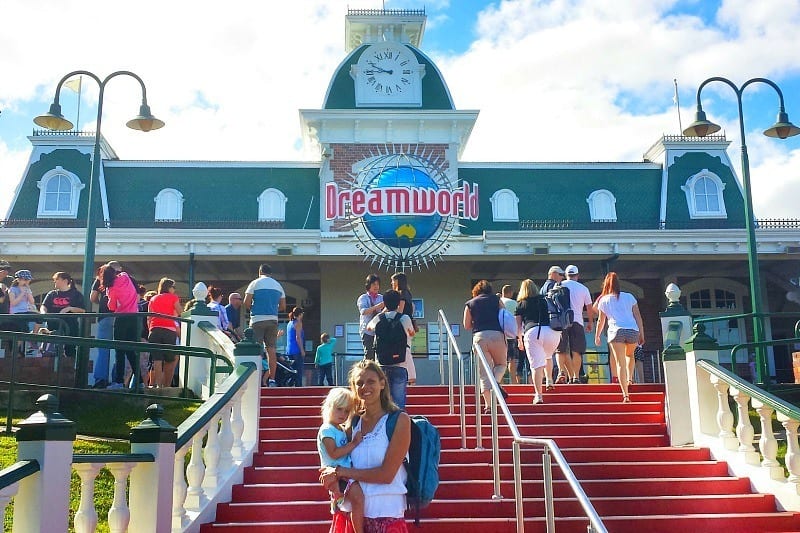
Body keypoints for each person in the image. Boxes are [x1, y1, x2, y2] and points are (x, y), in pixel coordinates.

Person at [319, 360, 411, 533]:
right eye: (359, 383)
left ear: (382, 383)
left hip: (386, 514)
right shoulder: (352, 422)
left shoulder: (399, 420)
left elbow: (386, 475)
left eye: (371, 381)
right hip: (350, 514)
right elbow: (337, 457)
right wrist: (329, 474)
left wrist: (341, 472)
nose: (365, 387)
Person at [317, 387, 365, 533]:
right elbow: (334, 453)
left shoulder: (340, 428)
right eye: (339, 409)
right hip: (337, 475)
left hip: (344, 474)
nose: (343, 414)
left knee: (349, 507)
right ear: (329, 406)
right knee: (358, 499)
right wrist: (354, 444)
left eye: (346, 411)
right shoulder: (327, 429)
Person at [594, 272, 645, 403]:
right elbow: (638, 316)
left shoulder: (604, 300)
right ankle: (630, 379)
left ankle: (625, 395)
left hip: (616, 331)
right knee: (630, 356)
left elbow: (601, 321)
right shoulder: (629, 297)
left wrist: (597, 335)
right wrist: (641, 333)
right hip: (632, 330)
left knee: (620, 363)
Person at [463, 280, 508, 413]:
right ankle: (495, 382)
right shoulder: (496, 300)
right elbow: (504, 316)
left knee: (483, 373)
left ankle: (488, 405)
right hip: (497, 334)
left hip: (479, 337)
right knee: (501, 364)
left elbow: (466, 325)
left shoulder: (470, 303)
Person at [366, 289, 415, 409]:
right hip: (400, 363)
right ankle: (398, 423)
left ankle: (383, 423)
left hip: (382, 362)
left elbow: (369, 328)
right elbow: (411, 333)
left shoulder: (379, 318)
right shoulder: (404, 318)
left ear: (385, 303)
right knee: (399, 400)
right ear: (399, 303)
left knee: (382, 399)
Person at [515, 279, 560, 405]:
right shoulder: (545, 300)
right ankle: (550, 380)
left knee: (536, 366)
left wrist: (520, 340)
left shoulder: (521, 304)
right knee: (548, 356)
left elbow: (518, 326)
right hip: (552, 332)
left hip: (533, 332)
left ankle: (538, 395)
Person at [244, 263, 286, 388]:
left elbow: (246, 302)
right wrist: (272, 309)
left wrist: (254, 308)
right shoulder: (278, 286)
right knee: (271, 350)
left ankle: (255, 378)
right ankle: (272, 379)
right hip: (273, 319)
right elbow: (283, 306)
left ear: (259, 272)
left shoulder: (255, 283)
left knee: (256, 350)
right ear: (271, 273)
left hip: (257, 319)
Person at [101, 264, 140, 390]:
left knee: (119, 351)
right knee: (131, 350)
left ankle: (118, 382)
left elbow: (111, 307)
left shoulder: (111, 288)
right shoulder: (125, 276)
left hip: (121, 318)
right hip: (134, 317)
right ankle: (139, 381)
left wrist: (109, 296)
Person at [556, 265, 595, 384]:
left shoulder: (559, 285)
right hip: (577, 321)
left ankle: (561, 372)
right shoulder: (583, 288)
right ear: (577, 276)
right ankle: (576, 377)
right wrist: (590, 322)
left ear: (566, 275)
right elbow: (589, 307)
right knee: (577, 351)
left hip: (562, 322)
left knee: (560, 349)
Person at [147, 277, 182, 388]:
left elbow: (149, 317)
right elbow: (180, 312)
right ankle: (167, 385)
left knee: (157, 359)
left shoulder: (153, 299)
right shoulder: (173, 297)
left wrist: (150, 329)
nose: (174, 289)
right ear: (168, 287)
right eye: (173, 287)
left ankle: (158, 385)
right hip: (169, 330)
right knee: (170, 359)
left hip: (154, 330)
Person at [40, 272, 85, 357]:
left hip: (70, 326)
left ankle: (69, 368)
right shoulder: (52, 294)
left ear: (65, 280)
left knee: (70, 351)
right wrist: (43, 313)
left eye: (57, 279)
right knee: (49, 351)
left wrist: (69, 308)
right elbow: (44, 306)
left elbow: (82, 310)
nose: (55, 282)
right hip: (52, 326)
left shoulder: (76, 294)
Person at [90, 263, 118, 388]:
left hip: (104, 315)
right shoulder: (123, 278)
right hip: (121, 316)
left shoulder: (100, 279)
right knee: (120, 349)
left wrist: (101, 302)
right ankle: (118, 379)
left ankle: (101, 379)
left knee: (103, 349)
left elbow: (93, 297)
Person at [390, 272, 417, 385]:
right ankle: (409, 377)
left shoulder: (402, 294)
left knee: (404, 350)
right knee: (405, 349)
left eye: (393, 281)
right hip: (408, 323)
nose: (391, 283)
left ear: (398, 282)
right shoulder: (408, 293)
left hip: (402, 324)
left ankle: (411, 377)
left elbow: (400, 310)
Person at [539, 266, 564, 386]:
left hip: (542, 324)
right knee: (552, 353)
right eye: (560, 275)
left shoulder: (542, 289)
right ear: (553, 274)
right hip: (554, 323)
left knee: (544, 354)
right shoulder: (554, 286)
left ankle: (544, 377)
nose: (562, 277)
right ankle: (551, 376)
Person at [356, 274, 384, 361]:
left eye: (377, 284)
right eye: (373, 284)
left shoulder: (382, 297)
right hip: (367, 331)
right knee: (369, 354)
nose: (376, 286)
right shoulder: (363, 298)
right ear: (368, 285)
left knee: (380, 354)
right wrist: (377, 306)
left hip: (379, 330)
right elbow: (363, 311)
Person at [500, 284, 521, 385]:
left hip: (499, 335)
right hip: (512, 335)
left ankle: (501, 381)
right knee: (512, 359)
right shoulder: (514, 303)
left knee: (500, 359)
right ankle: (513, 381)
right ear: (511, 293)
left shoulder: (498, 303)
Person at [286, 306, 306, 387]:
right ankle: (299, 388)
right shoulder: (298, 323)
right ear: (300, 314)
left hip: (289, 350)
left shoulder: (290, 323)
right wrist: (302, 350)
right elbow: (298, 337)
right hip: (296, 350)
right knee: (298, 372)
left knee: (292, 371)